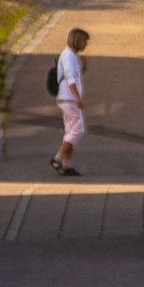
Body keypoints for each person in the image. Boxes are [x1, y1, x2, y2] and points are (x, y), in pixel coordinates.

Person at [51, 27, 90, 176]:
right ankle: (58, 158)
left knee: (70, 131)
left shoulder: (72, 56)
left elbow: (75, 75)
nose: (86, 44)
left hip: (67, 98)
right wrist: (77, 97)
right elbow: (70, 78)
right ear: (77, 40)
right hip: (69, 99)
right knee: (78, 130)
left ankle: (67, 165)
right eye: (84, 40)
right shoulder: (68, 55)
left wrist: (83, 67)